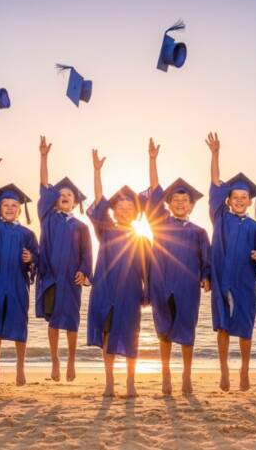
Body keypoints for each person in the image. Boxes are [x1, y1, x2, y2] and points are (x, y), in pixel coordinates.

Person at [142, 138, 211, 395]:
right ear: (169, 204)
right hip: (162, 283)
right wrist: (152, 160)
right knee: (163, 329)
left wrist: (206, 277)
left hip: (187, 286)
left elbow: (207, 260)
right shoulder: (159, 222)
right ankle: (166, 374)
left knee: (186, 328)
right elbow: (154, 191)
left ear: (192, 205)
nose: (181, 204)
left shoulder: (199, 232)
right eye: (176, 201)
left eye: (185, 201)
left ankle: (186, 375)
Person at [205, 132, 256, 392]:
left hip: (245, 281)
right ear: (228, 202)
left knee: (245, 327)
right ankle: (224, 371)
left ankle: (244, 370)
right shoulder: (220, 218)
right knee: (223, 326)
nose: (240, 201)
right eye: (235, 198)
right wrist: (215, 154)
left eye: (244, 198)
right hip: (222, 279)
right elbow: (216, 184)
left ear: (250, 202)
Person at [87, 149, 151, 397]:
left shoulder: (141, 237)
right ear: (115, 212)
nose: (124, 211)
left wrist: (147, 294)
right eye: (120, 208)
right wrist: (97, 171)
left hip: (130, 293)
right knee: (107, 335)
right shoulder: (105, 231)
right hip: (105, 291)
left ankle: (131, 382)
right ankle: (110, 381)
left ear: (135, 213)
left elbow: (148, 270)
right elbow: (99, 202)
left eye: (128, 208)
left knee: (130, 335)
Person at [0, 149, 39, 387]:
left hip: (17, 284)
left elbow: (38, 259)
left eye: (14, 205)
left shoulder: (27, 233)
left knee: (18, 325)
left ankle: (20, 369)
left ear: (20, 208)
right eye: (6, 204)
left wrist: (30, 258)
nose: (10, 208)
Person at [36, 136, 93, 382]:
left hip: (71, 280)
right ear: (54, 201)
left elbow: (87, 254)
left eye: (69, 194)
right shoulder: (47, 218)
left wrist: (84, 271)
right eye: (61, 194)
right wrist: (44, 157)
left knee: (71, 321)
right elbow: (44, 185)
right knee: (53, 322)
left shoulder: (81, 226)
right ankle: (55, 361)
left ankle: (70, 360)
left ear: (75, 201)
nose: (65, 195)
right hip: (50, 277)